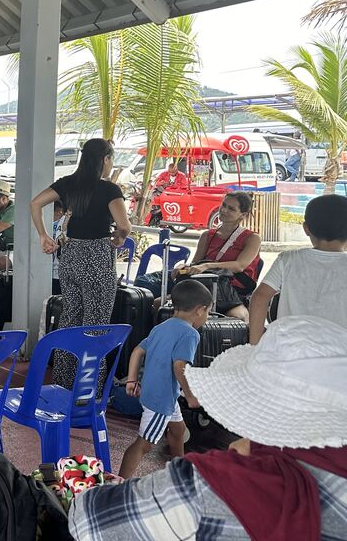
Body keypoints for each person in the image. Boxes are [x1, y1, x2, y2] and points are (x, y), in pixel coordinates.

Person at [69, 315, 347, 541]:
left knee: (159, 438)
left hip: (162, 402)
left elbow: (88, 522)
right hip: (165, 399)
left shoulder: (211, 486)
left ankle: (126, 478)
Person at [30, 138, 130, 388]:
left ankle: (63, 383)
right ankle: (88, 389)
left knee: (71, 319)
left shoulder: (68, 183)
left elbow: (35, 203)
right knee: (95, 326)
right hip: (96, 257)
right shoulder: (109, 190)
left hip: (70, 256)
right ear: (105, 159)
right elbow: (125, 226)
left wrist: (44, 235)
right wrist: (118, 238)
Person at [118, 278, 212, 479]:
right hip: (161, 398)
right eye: (208, 311)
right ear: (200, 310)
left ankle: (179, 474)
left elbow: (137, 350)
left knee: (178, 431)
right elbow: (180, 366)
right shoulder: (190, 334)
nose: (207, 316)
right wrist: (190, 395)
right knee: (144, 444)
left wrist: (132, 381)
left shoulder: (162, 326)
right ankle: (119, 483)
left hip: (158, 392)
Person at [249, 193, 347, 343]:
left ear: (306, 229)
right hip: (340, 354)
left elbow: (259, 298)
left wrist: (255, 346)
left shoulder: (288, 259)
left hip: (289, 349)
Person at [182, 191, 262, 322]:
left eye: (231, 208)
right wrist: (183, 268)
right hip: (204, 288)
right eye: (223, 205)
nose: (224, 210)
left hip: (233, 293)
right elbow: (195, 264)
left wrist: (208, 265)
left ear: (243, 215)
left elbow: (239, 266)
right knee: (159, 304)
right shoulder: (207, 235)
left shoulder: (252, 238)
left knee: (238, 317)